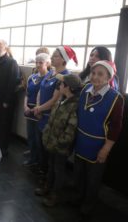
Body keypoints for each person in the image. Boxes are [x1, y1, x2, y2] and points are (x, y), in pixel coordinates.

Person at [74, 60, 124, 216]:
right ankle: (79, 198)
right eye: (93, 73)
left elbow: (116, 127)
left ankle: (88, 205)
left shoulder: (116, 98)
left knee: (93, 179)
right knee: (79, 174)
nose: (95, 77)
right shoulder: (85, 91)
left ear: (109, 77)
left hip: (98, 145)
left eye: (100, 74)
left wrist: (106, 149)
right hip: (80, 140)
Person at [33, 46, 77, 175]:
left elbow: (55, 100)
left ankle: (47, 179)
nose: (52, 57)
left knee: (49, 152)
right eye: (52, 55)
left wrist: (39, 109)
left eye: (56, 55)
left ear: (64, 60)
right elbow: (41, 90)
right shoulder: (51, 72)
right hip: (41, 114)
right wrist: (37, 107)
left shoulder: (65, 77)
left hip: (51, 119)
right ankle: (42, 172)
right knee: (41, 147)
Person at [40, 74, 82, 207]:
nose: (59, 86)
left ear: (68, 87)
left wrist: (59, 142)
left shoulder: (74, 105)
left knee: (59, 170)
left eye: (61, 84)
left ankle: (55, 195)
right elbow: (52, 120)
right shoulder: (62, 99)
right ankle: (47, 187)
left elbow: (70, 129)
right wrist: (47, 134)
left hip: (61, 146)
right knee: (51, 166)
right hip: (52, 142)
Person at [23, 53, 51, 167]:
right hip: (29, 111)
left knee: (39, 140)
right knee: (30, 137)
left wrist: (38, 109)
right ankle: (32, 158)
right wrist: (25, 106)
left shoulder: (49, 78)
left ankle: (41, 163)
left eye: (41, 62)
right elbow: (27, 94)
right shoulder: (32, 77)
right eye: (37, 62)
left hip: (41, 113)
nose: (38, 65)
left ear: (47, 63)